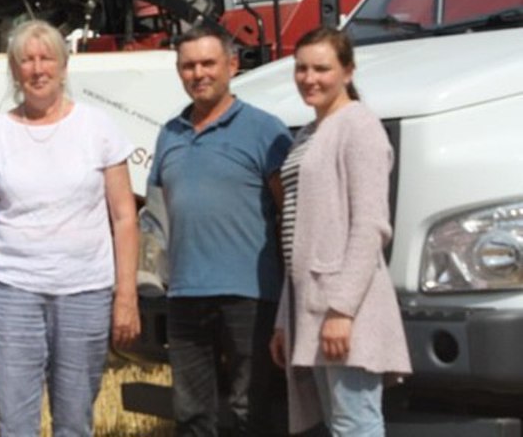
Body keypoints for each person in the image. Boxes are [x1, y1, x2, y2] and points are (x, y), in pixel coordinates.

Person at [0, 19, 140, 436]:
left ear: (63, 67)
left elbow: (124, 216)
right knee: (14, 421)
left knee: (75, 419)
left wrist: (126, 294)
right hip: (10, 291)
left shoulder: (98, 128)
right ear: (14, 70)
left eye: (47, 59)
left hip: (84, 291)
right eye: (27, 60)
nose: (37, 69)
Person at [148, 26, 292, 436]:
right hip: (185, 295)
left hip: (249, 294)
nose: (198, 73)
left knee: (251, 410)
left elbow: (288, 214)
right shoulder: (169, 134)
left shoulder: (266, 131)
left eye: (208, 63)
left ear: (231, 65)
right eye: (188, 66)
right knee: (192, 413)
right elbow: (156, 214)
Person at [269, 27, 411, 436]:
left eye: (321, 69)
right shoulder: (309, 133)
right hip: (310, 306)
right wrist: (285, 318)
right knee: (337, 423)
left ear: (347, 72)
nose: (309, 78)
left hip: (345, 309)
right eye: (301, 68)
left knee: (355, 422)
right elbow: (298, 233)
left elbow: (370, 226)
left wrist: (342, 310)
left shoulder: (359, 126)